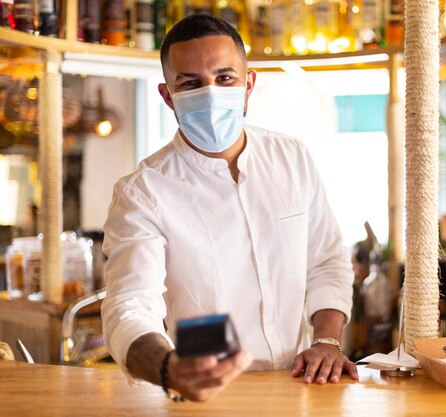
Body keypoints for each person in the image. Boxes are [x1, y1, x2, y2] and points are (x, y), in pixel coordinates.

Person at [101, 13, 358, 403]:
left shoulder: (292, 157)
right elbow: (130, 304)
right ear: (168, 96)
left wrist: (326, 341)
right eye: (190, 83)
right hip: (205, 392)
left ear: (248, 83)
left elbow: (327, 261)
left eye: (225, 78)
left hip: (299, 386)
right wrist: (170, 368)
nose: (210, 92)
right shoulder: (143, 192)